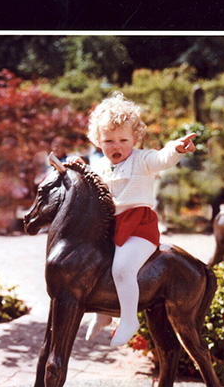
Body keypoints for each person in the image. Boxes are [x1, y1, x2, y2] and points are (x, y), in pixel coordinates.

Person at [82, 92, 196, 346]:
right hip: (111, 227)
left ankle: (129, 318)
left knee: (123, 268)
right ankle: (105, 313)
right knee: (97, 263)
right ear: (98, 141)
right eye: (108, 140)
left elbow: (162, 158)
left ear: (135, 138)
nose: (116, 146)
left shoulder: (142, 160)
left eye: (123, 139)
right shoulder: (99, 166)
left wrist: (176, 147)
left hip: (139, 228)